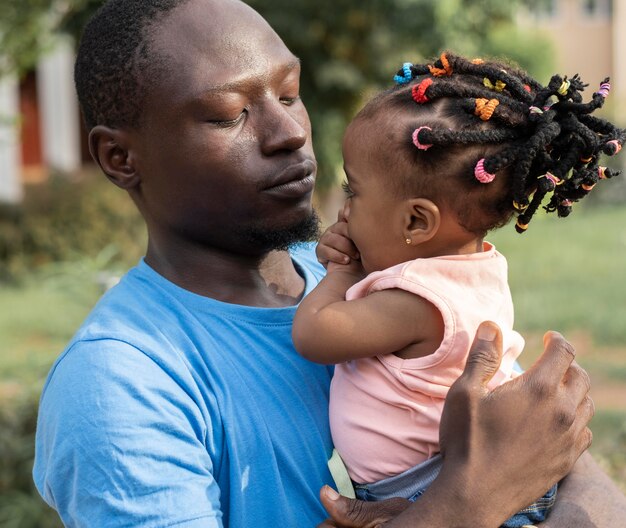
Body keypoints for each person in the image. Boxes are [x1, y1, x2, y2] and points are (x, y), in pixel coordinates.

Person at [30, 1, 623, 527]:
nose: (289, 133)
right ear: (119, 157)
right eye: (229, 113)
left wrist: (518, 496)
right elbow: (502, 475)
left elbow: (554, 454)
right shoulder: (123, 384)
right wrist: (468, 502)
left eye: (289, 94)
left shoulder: (371, 275)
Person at [292, 53, 625, 527]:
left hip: (440, 491)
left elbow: (314, 335)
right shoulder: (470, 270)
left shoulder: (414, 302)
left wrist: (341, 274)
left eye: (353, 192)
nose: (343, 211)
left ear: (415, 221)